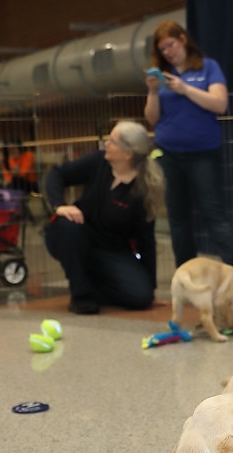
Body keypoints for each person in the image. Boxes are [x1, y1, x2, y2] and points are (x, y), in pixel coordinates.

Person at [144, 20, 233, 275]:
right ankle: (186, 274)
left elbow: (219, 104)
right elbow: (152, 119)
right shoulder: (163, 77)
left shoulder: (208, 68)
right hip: (168, 154)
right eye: (162, 48)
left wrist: (185, 89)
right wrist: (154, 93)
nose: (168, 51)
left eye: (171, 44)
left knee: (213, 214)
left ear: (183, 40)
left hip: (203, 154)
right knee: (177, 218)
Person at [43, 120, 164, 314]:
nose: (106, 144)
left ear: (128, 153)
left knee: (141, 297)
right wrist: (60, 206)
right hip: (75, 236)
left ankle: (90, 283)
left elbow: (146, 240)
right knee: (68, 227)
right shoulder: (98, 162)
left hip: (112, 250)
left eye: (112, 141)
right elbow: (56, 174)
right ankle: (80, 294)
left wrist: (151, 287)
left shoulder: (142, 190)